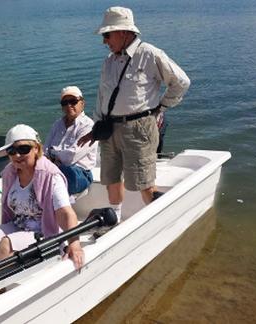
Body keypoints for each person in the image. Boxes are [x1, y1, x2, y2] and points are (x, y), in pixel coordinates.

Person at [78, 6, 190, 222]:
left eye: (107, 35)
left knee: (144, 183)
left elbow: (181, 82)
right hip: (109, 129)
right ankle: (115, 221)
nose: (104, 41)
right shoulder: (109, 61)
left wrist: (161, 107)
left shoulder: (149, 54)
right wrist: (96, 129)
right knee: (110, 178)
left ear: (123, 32)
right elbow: (103, 97)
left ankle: (162, 222)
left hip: (138, 129)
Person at [0, 124, 84, 276]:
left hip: (44, 230)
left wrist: (74, 244)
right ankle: (0, 284)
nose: (17, 155)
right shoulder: (9, 173)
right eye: (11, 151)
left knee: (6, 245)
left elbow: (65, 212)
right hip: (19, 224)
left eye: (23, 149)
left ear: (36, 149)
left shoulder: (51, 176)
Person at [44, 86, 98, 196]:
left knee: (61, 174)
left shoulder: (88, 126)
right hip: (55, 168)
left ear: (82, 103)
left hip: (79, 174)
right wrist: (52, 158)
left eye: (73, 101)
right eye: (65, 102)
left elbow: (71, 156)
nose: (69, 105)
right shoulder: (57, 124)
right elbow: (45, 149)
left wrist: (52, 156)